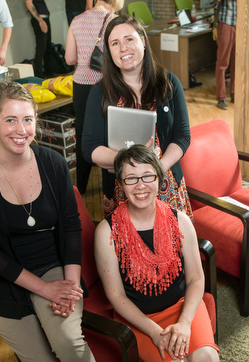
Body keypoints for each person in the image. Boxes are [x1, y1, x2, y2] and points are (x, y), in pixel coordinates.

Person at [0, 81, 103, 362]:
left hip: (49, 265)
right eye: (10, 120)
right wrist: (45, 290)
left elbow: (70, 227)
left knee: (71, 348)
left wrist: (70, 286)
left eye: (28, 119)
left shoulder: (54, 164)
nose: (20, 130)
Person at [95, 145, 219, 362]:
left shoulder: (180, 220)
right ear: (120, 184)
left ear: (160, 178)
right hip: (138, 318)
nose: (140, 185)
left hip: (182, 307)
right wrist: (153, 331)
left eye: (148, 176)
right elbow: (116, 296)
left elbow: (195, 279)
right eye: (131, 178)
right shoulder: (106, 231)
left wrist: (184, 323)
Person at [82, 15, 193, 220]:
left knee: (174, 246)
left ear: (143, 40)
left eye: (129, 39)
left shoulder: (169, 83)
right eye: (115, 43)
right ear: (109, 52)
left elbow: (182, 136)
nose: (123, 48)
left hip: (165, 180)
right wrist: (128, 164)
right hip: (121, 187)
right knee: (129, 249)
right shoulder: (100, 92)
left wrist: (158, 167)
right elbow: (90, 148)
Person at [65, 0, 124, 194]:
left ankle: (80, 187)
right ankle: (112, 188)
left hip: (81, 85)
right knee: (110, 136)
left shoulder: (76, 20)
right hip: (107, 85)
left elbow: (69, 59)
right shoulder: (116, 22)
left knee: (84, 135)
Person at [214, 0, 236, 110]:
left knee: (237, 64)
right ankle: (221, 98)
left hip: (242, 25)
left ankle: (234, 94)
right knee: (222, 64)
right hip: (226, 25)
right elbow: (211, 2)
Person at [25, 0, 55, 79]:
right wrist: (40, 21)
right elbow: (29, 4)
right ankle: (39, 75)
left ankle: (49, 73)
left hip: (45, 17)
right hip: (39, 19)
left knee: (48, 47)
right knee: (41, 48)